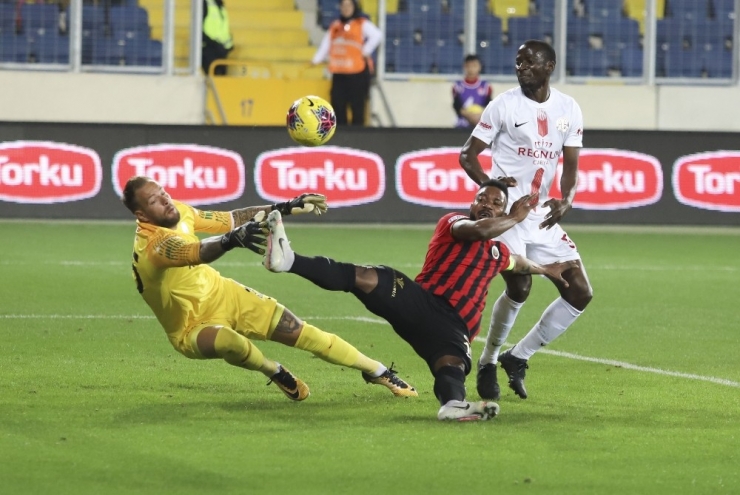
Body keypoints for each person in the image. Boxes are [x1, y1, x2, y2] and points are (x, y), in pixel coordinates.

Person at [260, 180, 575, 421]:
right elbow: (479, 230)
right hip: (421, 303)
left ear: (502, 211)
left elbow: (519, 264)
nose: (486, 204)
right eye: (482, 198)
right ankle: (288, 261)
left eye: (496, 203)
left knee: (451, 366)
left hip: (455, 328)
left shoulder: (499, 252)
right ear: (472, 203)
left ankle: (452, 406)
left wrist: (546, 269)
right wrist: (516, 218)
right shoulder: (455, 224)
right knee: (369, 277)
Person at [122, 176, 417, 402]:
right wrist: (229, 241)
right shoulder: (154, 245)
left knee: (300, 331)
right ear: (142, 215)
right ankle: (273, 370)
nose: (166, 201)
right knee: (229, 341)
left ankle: (377, 370)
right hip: (189, 328)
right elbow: (197, 252)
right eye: (155, 201)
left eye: (164, 193)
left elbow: (233, 218)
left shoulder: (181, 212)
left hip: (225, 294)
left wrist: (284, 207)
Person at [458, 39, 593, 401]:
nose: (521, 68)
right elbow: (467, 155)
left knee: (580, 291)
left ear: (549, 66)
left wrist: (566, 200)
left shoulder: (569, 109)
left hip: (542, 216)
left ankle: (517, 357)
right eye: (518, 63)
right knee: (520, 287)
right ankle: (487, 361)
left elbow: (571, 167)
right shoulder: (503, 106)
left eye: (529, 62)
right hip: (509, 218)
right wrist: (491, 187)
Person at [311, 0, 382, 126]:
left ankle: (358, 139)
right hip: (339, 73)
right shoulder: (336, 26)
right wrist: (316, 60)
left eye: (349, 5)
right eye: (343, 5)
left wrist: (366, 50)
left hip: (357, 74)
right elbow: (326, 44)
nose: (346, 8)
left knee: (357, 109)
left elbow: (377, 35)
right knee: (337, 107)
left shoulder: (361, 24)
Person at [453, 54, 493, 129]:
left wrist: (478, 116)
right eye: (469, 66)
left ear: (479, 67)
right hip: (462, 125)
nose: (471, 69)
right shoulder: (457, 86)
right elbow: (457, 105)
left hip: (480, 125)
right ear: (464, 67)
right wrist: (469, 116)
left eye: (474, 66)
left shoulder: (486, 86)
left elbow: (489, 105)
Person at [202, 0, 233, 76]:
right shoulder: (204, 3)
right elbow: (198, 30)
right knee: (212, 81)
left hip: (221, 50)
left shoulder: (220, 4)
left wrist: (229, 46)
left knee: (221, 81)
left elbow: (223, 28)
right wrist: (215, 45)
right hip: (209, 49)